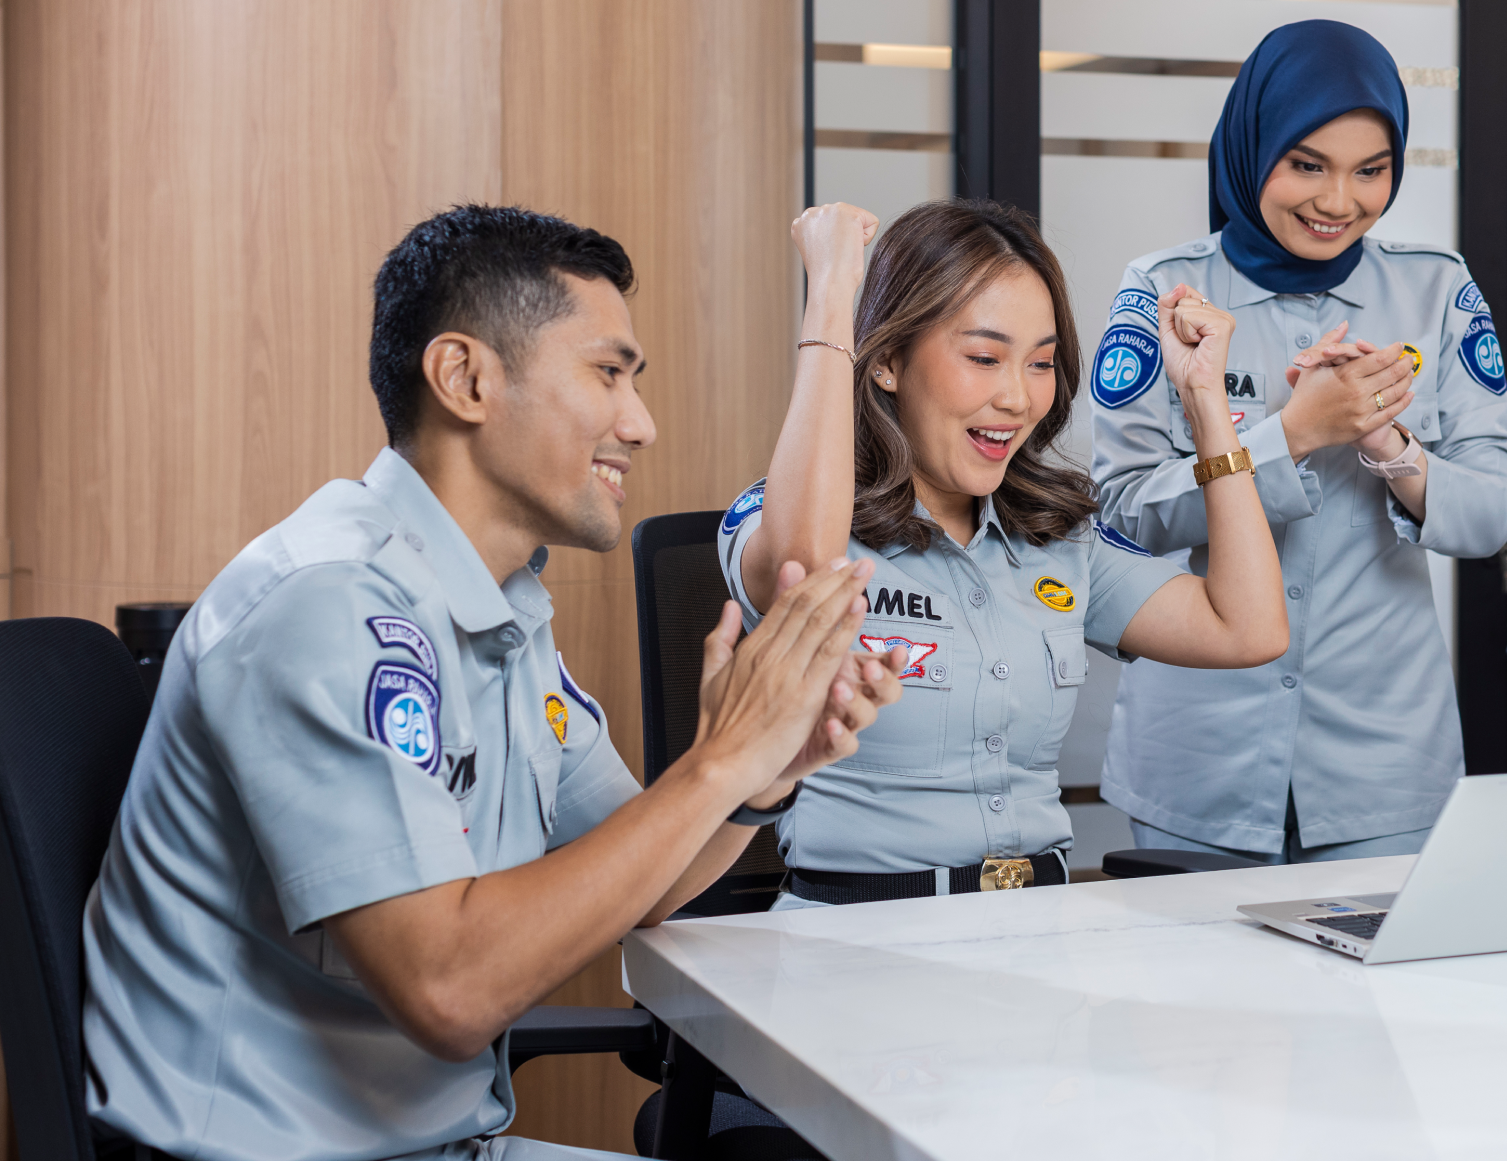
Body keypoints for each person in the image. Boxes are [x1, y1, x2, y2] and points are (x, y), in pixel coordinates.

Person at [82, 205, 904, 1161]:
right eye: (607, 373)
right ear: (465, 378)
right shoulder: (328, 605)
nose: (639, 424)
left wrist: (763, 771)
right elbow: (451, 990)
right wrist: (715, 763)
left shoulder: (497, 606)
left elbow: (642, 878)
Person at [719, 197, 1288, 906]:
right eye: (984, 358)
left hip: (1038, 924)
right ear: (888, 359)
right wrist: (833, 291)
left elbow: (1248, 628)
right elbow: (802, 566)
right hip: (856, 928)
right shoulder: (784, 515)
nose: (1018, 398)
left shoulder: (1056, 535)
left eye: (1041, 363)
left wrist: (1205, 404)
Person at [1091, 19, 1507, 863]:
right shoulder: (1165, 292)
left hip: (1383, 768)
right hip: (1198, 760)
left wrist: (1388, 444)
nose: (1337, 202)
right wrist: (1290, 434)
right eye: (1306, 165)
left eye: (1370, 170)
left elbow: (1489, 519)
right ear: (1253, 149)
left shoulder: (1437, 288)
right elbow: (1124, 517)